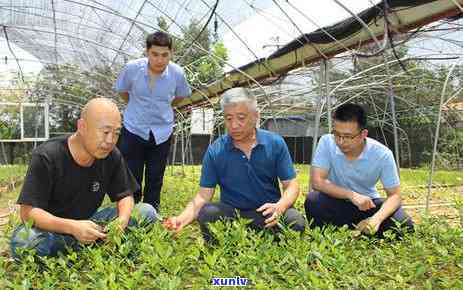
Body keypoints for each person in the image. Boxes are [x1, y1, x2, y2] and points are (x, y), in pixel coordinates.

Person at [10, 98, 158, 259]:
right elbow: (27, 213)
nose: (110, 141)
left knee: (146, 212)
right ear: (82, 127)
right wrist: (73, 227)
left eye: (116, 133)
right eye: (105, 132)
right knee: (24, 242)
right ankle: (84, 248)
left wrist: (121, 222)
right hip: (52, 230)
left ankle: (84, 247)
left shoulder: (111, 155)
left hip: (91, 225)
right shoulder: (47, 155)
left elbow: (125, 195)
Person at [164, 87, 305, 242]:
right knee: (208, 213)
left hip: (268, 213)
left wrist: (280, 206)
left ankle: (256, 237)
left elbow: (291, 185)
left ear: (256, 116)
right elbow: (203, 196)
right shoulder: (216, 150)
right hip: (234, 215)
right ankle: (242, 238)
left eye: (241, 117)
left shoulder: (275, 143)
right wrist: (181, 219)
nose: (234, 125)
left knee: (295, 221)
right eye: (228, 118)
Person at [305, 103, 413, 237]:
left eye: (348, 136)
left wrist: (376, 219)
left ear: (363, 134)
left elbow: (395, 196)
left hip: (367, 205)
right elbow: (317, 181)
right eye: (336, 134)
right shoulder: (327, 142)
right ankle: (335, 234)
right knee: (313, 201)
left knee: (404, 223)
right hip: (336, 201)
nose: (341, 141)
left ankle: (366, 228)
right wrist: (352, 195)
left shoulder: (382, 154)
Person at [114, 31, 192, 210]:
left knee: (155, 176)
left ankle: (151, 214)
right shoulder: (132, 68)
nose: (160, 60)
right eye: (155, 54)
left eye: (165, 55)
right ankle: (129, 214)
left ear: (171, 53)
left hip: (161, 132)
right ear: (147, 52)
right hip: (133, 129)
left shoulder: (177, 73)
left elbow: (181, 96)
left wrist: (165, 107)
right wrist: (135, 106)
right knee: (131, 175)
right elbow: (123, 91)